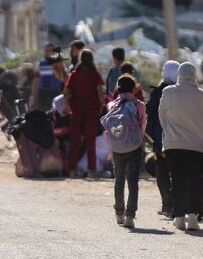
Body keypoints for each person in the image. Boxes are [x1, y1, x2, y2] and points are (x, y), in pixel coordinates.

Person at [158, 61, 203, 231]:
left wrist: (169, 131)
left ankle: (179, 216)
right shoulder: (202, 95)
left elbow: (162, 115)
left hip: (174, 144)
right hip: (198, 144)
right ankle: (193, 218)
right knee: (196, 180)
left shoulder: (168, 91)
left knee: (177, 179)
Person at [107, 75, 147, 229]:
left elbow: (109, 129)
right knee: (132, 181)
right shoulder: (139, 105)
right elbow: (142, 125)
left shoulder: (112, 106)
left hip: (117, 147)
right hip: (134, 147)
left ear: (118, 88)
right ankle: (130, 216)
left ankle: (119, 213)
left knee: (119, 180)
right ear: (134, 88)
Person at [63, 49, 105, 178]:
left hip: (77, 110)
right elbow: (100, 91)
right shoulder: (95, 74)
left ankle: (72, 170)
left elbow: (66, 92)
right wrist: (102, 105)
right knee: (90, 140)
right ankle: (92, 170)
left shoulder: (74, 74)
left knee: (75, 140)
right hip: (91, 110)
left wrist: (67, 105)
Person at [146, 60, 179, 217]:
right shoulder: (181, 91)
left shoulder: (159, 91)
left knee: (163, 171)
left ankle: (167, 205)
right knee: (177, 172)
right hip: (179, 138)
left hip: (161, 138)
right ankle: (179, 205)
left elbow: (150, 111)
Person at [31, 44, 66, 111]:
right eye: (46, 50)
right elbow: (36, 80)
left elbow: (64, 78)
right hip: (43, 94)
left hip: (56, 93)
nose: (47, 52)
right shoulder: (40, 64)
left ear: (53, 52)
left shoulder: (59, 63)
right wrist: (34, 96)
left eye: (49, 50)